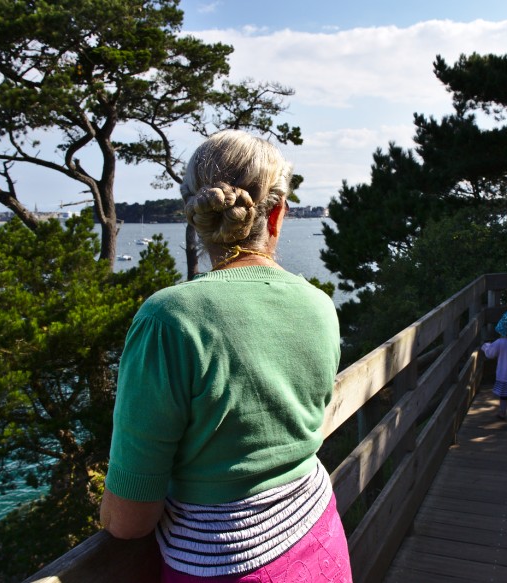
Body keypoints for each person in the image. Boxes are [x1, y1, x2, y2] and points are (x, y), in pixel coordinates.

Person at [100, 129, 352, 582]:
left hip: (227, 566)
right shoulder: (319, 305)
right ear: (276, 215)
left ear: (196, 217)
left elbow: (128, 520)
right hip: (320, 534)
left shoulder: (169, 319)